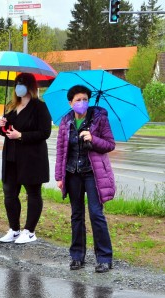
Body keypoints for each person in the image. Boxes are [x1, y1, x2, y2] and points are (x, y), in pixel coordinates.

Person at [55, 85, 116, 273]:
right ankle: (76, 257)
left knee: (96, 214)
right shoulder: (66, 122)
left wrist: (93, 138)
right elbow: (61, 150)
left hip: (93, 173)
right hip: (72, 173)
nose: (82, 103)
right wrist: (59, 176)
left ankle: (104, 258)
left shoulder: (99, 119)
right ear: (70, 103)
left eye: (84, 99)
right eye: (78, 100)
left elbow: (110, 144)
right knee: (76, 215)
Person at [0, 73, 52, 244]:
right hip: (11, 158)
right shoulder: (12, 106)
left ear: (31, 87)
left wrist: (21, 135)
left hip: (31, 159)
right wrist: (1, 126)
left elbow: (45, 133)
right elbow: (5, 132)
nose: (19, 86)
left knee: (33, 194)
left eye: (22, 83)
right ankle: (14, 229)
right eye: (17, 83)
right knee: (9, 194)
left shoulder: (39, 107)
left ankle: (29, 231)